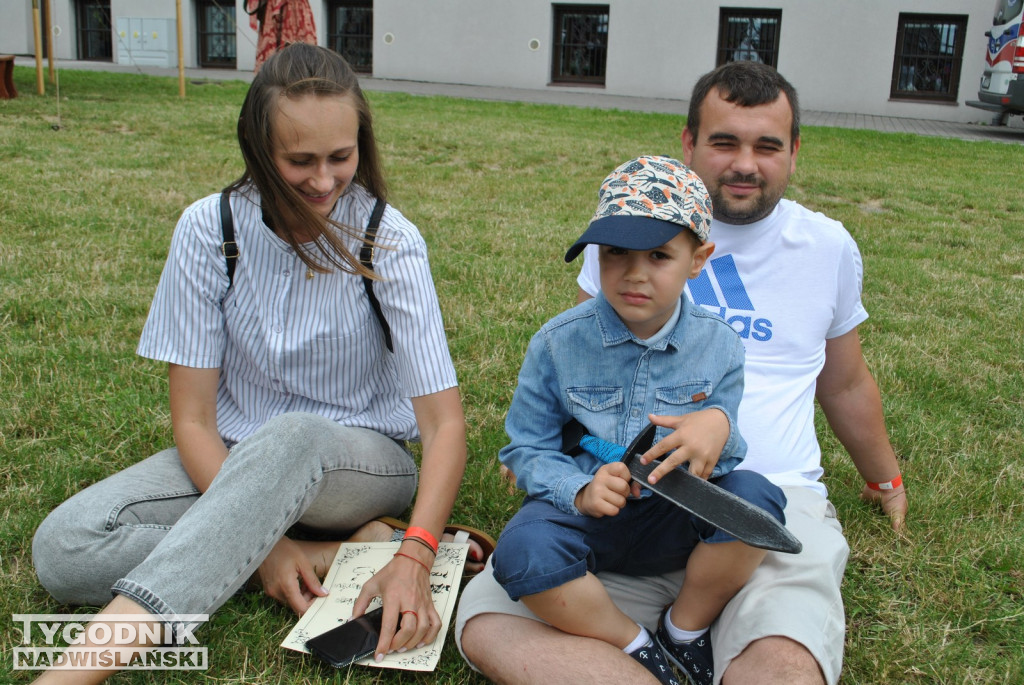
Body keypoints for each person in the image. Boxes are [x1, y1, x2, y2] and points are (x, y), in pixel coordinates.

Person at [31, 43, 489, 683]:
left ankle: (71, 673)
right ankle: (331, 553)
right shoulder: (207, 229)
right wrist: (269, 547)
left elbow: (443, 426)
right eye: (300, 160)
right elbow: (193, 421)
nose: (325, 181)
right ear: (257, 148)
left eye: (341, 157)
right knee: (66, 548)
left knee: (291, 434)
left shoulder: (389, 237)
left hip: (357, 465)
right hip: (231, 459)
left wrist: (414, 555)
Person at [456, 61, 908, 685]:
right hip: (602, 501)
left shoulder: (825, 250)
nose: (745, 163)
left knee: (780, 654)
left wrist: (885, 479)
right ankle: (648, 654)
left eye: (766, 145)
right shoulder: (594, 291)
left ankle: (688, 630)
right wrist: (568, 484)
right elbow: (557, 417)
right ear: (690, 142)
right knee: (499, 616)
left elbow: (846, 380)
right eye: (725, 141)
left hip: (741, 502)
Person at [489, 156, 787, 685]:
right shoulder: (557, 344)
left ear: (699, 259)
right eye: (615, 253)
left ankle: (685, 629)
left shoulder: (720, 344)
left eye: (658, 255)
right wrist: (578, 489)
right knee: (520, 554)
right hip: (589, 523)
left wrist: (716, 424)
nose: (634, 272)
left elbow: (730, 456)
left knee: (759, 502)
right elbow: (524, 449)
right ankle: (632, 640)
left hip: (677, 516)